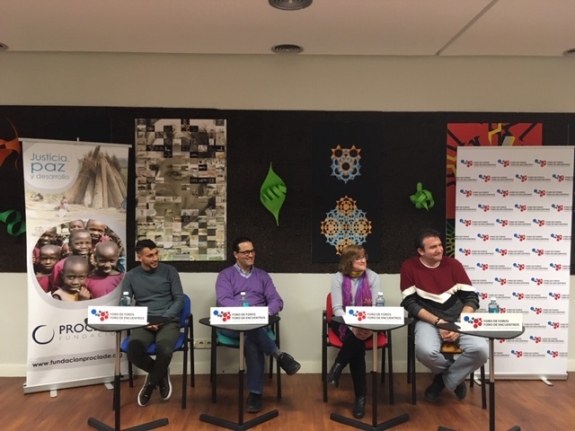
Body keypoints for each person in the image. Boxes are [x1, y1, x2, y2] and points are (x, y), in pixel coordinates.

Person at [400, 228, 488, 403]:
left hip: (459, 320)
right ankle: (454, 378)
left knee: (481, 350)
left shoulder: (454, 265)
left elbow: (471, 298)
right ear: (421, 251)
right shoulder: (409, 267)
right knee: (425, 352)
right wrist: (440, 323)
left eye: (440, 245)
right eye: (433, 247)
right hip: (429, 321)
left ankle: (442, 380)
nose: (439, 249)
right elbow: (410, 304)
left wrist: (459, 325)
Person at [216, 237, 301, 414]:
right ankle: (278, 356)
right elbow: (224, 300)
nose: (251, 255)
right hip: (232, 324)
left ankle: (255, 394)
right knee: (252, 331)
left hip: (258, 324)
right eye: (246, 252)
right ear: (236, 254)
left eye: (252, 251)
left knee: (251, 340)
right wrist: (247, 312)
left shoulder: (262, 276)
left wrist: (265, 312)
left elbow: (277, 300)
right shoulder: (225, 275)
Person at [122, 239, 184, 407]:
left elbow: (179, 299)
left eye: (156, 253)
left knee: (165, 349)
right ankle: (161, 373)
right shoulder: (131, 276)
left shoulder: (170, 271)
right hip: (144, 321)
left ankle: (150, 385)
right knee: (133, 351)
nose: (155, 258)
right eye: (150, 255)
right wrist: (142, 320)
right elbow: (124, 304)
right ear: (139, 257)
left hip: (167, 320)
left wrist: (163, 318)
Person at [326, 245, 381, 419]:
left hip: (368, 322)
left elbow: (376, 306)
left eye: (364, 256)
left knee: (356, 344)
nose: (363, 260)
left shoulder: (373, 276)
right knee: (357, 344)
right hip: (343, 322)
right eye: (358, 258)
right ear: (348, 261)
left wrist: (366, 326)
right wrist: (354, 327)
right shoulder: (338, 277)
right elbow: (337, 309)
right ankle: (360, 398)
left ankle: (337, 366)